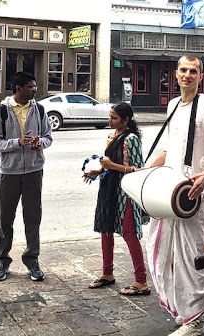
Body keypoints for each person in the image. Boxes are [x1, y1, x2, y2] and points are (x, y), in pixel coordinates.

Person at [146, 54, 204, 336]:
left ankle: (194, 323)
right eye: (183, 70)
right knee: (165, 254)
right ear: (175, 74)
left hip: (196, 196)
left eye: (193, 71)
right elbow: (171, 149)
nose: (187, 75)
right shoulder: (173, 106)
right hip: (170, 192)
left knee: (191, 256)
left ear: (200, 76)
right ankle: (192, 308)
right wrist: (143, 171)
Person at [0, 71, 53, 282]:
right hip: (10, 172)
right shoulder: (2, 112)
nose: (35, 90)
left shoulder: (39, 109)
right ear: (18, 89)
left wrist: (39, 143)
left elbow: (48, 137)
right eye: (31, 87)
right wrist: (18, 142)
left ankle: (32, 260)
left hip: (34, 170)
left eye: (35, 86)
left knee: (33, 217)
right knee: (5, 219)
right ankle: (2, 261)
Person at [83, 103, 149, 295]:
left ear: (126, 121)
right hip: (108, 187)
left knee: (129, 232)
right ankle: (107, 273)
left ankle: (141, 280)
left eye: (114, 118)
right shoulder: (112, 135)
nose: (109, 121)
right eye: (110, 116)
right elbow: (110, 165)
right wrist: (99, 170)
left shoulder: (132, 139)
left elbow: (138, 169)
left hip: (125, 190)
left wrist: (111, 166)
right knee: (106, 229)